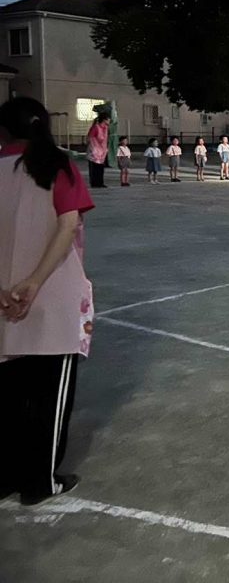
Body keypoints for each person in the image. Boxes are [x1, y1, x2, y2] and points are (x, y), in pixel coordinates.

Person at [0, 96, 95, 506]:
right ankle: (41, 481)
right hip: (53, 295)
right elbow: (68, 224)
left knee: (9, 396)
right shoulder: (58, 166)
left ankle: (5, 476)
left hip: (4, 301)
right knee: (50, 394)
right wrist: (35, 281)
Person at [85, 110, 110, 189]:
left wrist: (106, 148)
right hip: (94, 151)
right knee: (94, 168)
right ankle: (94, 183)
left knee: (100, 168)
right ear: (104, 119)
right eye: (108, 119)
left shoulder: (106, 128)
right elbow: (89, 138)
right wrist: (93, 148)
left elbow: (105, 139)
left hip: (102, 152)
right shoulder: (96, 127)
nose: (109, 121)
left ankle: (100, 182)